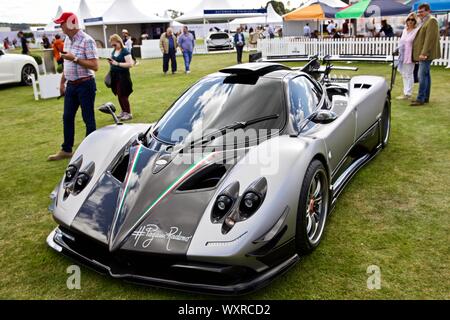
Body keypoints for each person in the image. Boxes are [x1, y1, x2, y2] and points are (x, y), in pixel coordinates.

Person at [48, 12, 99, 161]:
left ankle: (91, 150)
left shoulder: (87, 40)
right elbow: (67, 63)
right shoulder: (67, 40)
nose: (60, 26)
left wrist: (75, 58)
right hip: (71, 84)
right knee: (67, 117)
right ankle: (67, 149)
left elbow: (95, 66)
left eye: (62, 23)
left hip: (85, 84)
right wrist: (62, 82)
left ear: (70, 23)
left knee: (88, 118)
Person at [411, 3, 441, 106]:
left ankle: (420, 99)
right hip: (425, 53)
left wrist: (424, 53)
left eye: (421, 11)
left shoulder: (431, 20)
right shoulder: (424, 21)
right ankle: (425, 98)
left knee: (422, 75)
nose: (419, 13)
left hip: (426, 54)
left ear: (428, 11)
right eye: (418, 12)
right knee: (426, 75)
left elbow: (430, 39)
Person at [108, 34, 134, 121]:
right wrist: (111, 62)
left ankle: (128, 113)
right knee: (119, 94)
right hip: (115, 76)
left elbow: (130, 64)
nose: (114, 46)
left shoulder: (125, 51)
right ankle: (123, 111)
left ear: (119, 42)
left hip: (123, 76)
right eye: (112, 45)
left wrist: (117, 64)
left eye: (115, 44)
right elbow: (114, 61)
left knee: (123, 94)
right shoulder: (114, 50)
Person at [395, 13, 420, 100]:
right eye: (408, 19)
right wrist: (396, 49)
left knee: (409, 74)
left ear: (415, 21)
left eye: (412, 20)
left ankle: (408, 93)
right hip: (402, 55)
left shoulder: (417, 30)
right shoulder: (405, 30)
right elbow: (401, 42)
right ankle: (405, 92)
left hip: (410, 55)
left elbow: (418, 44)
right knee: (403, 74)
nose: (410, 21)